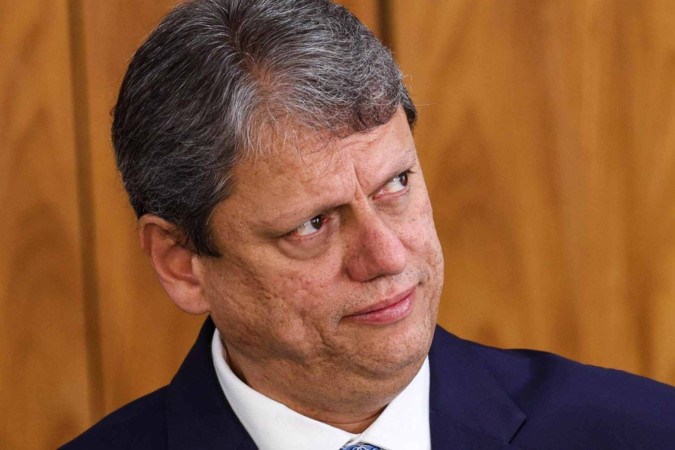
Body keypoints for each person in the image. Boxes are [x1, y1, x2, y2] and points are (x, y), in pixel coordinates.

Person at [62, 0, 675, 448]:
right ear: (181, 263)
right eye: (313, 224)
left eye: (396, 185)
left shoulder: (646, 431)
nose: (387, 256)